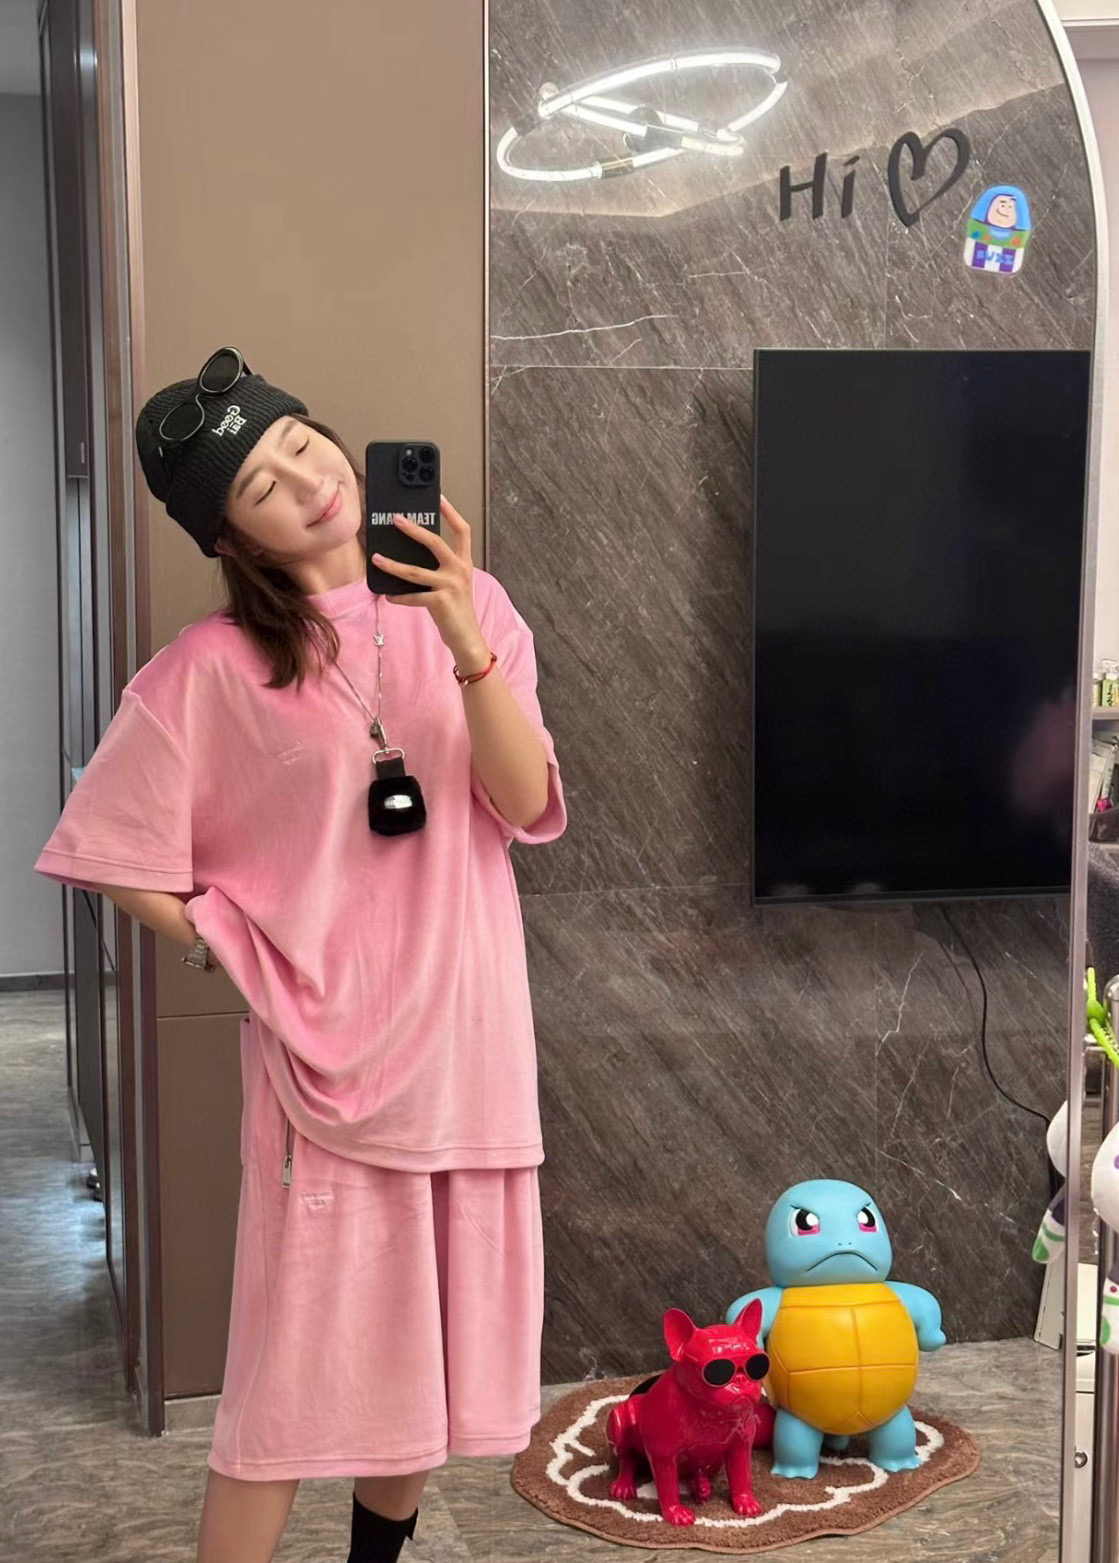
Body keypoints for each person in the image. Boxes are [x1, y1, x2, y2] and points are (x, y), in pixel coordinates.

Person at [35, 347, 566, 1563]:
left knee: (421, 1378)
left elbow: (522, 796)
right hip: (327, 1074)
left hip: (469, 1049)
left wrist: (457, 628)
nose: (309, 480)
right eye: (262, 484)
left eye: (302, 444)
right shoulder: (209, 671)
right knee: (275, 1410)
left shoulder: (476, 607)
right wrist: (232, 945)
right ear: (233, 536)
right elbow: (111, 848)